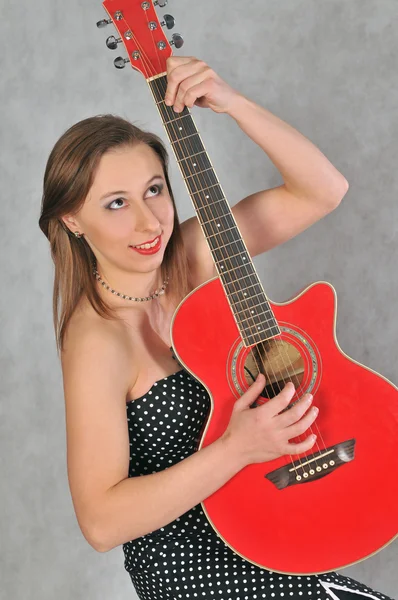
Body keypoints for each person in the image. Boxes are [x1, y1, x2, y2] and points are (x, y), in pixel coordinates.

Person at [38, 56, 395, 600]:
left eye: (154, 189)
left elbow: (323, 189)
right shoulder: (98, 339)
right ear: (71, 219)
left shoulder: (194, 255)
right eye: (116, 203)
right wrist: (237, 448)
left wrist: (233, 104)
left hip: (281, 544)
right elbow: (102, 523)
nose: (148, 222)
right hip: (199, 580)